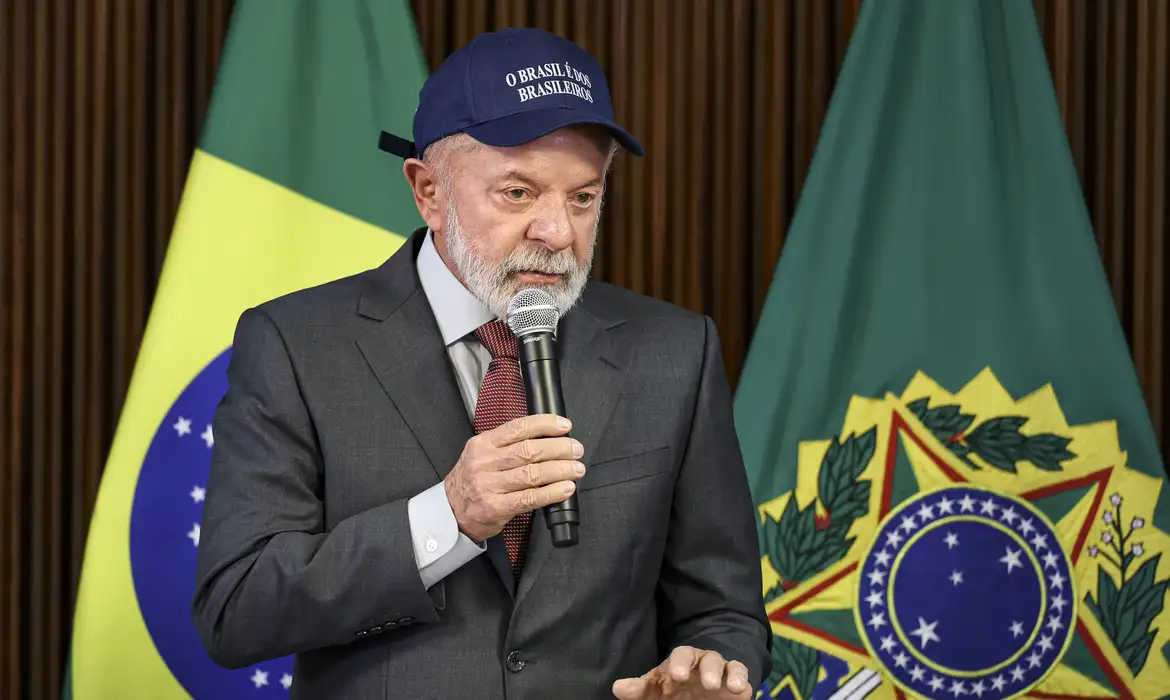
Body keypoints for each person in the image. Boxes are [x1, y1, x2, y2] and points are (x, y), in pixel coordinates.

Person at [192, 26, 771, 700]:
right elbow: (236, 609)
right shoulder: (296, 344)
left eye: (583, 197)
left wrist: (709, 670)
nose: (557, 233)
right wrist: (449, 516)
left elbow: (724, 609)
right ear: (429, 191)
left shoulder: (674, 350)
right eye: (518, 193)